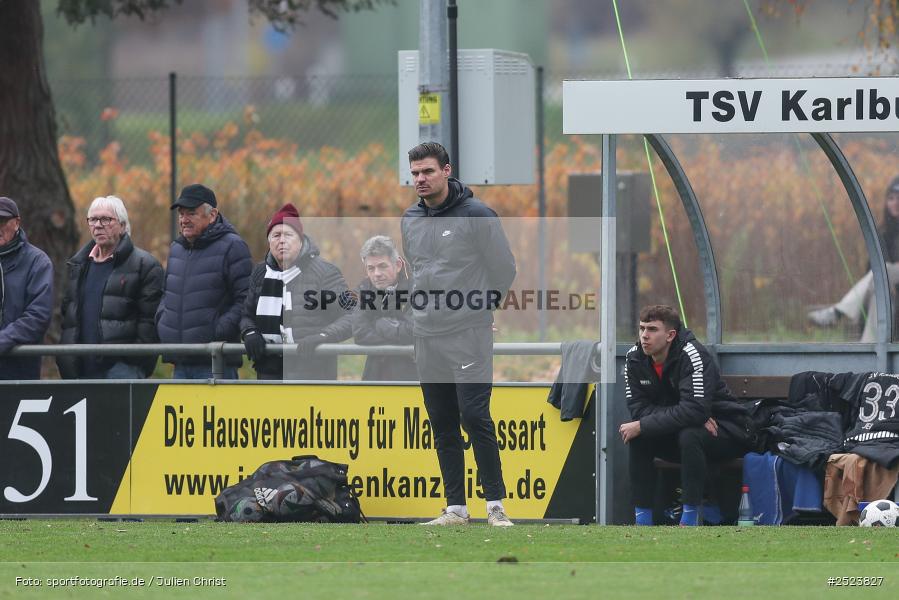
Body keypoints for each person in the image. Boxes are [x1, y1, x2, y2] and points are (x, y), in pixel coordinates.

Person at [401, 142, 517, 527]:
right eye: (415, 173)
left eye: (427, 172)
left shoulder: (477, 214)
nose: (420, 179)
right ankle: (456, 509)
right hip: (427, 336)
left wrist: (482, 310)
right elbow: (416, 272)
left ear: (447, 171)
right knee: (442, 421)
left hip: (467, 333)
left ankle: (495, 505)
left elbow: (504, 269)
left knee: (474, 416)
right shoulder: (410, 219)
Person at [621, 305, 753, 526]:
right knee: (640, 435)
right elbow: (638, 409)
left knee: (689, 434)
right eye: (642, 328)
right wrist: (680, 415)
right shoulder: (634, 358)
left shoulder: (692, 354)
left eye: (652, 329)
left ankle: (689, 518)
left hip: (726, 430)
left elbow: (695, 409)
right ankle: (642, 521)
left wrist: (686, 415)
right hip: (682, 431)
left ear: (670, 335)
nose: (644, 336)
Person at [240, 203, 353, 380]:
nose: (282, 240)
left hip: (314, 373)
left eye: (288, 235)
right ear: (269, 241)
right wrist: (249, 332)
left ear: (301, 240)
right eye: (276, 235)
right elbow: (246, 315)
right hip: (268, 372)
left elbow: (353, 315)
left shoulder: (325, 273)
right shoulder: (260, 273)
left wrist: (323, 336)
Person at [58, 196, 163, 379]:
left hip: (121, 371)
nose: (98, 225)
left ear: (123, 226)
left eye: (106, 219)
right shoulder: (78, 265)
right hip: (78, 370)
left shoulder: (145, 265)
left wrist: (130, 362)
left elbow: (150, 323)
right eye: (93, 219)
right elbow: (68, 317)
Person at [156, 184, 252, 379]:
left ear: (213, 214)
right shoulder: (176, 249)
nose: (184, 220)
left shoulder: (233, 246)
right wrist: (163, 323)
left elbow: (246, 299)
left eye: (191, 213)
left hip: (216, 363)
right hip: (180, 364)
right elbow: (167, 295)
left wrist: (215, 332)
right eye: (181, 214)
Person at [808, 175, 899, 341]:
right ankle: (871, 347)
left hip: (893, 282)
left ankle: (838, 312)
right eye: (891, 198)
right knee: (877, 289)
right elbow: (871, 268)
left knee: (883, 273)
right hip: (890, 289)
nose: (895, 203)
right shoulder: (883, 232)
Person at [0, 196, 53, 380]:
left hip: (19, 369)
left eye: (3, 221)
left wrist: (3, 341)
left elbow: (38, 316)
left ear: (17, 223)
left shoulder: (37, 262)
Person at [353, 235, 418, 381]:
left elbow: (414, 331)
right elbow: (360, 333)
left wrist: (379, 324)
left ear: (398, 265)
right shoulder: (364, 289)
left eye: (382, 266)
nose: (377, 274)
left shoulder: (416, 287)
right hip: (375, 375)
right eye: (371, 268)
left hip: (412, 377)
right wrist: (397, 330)